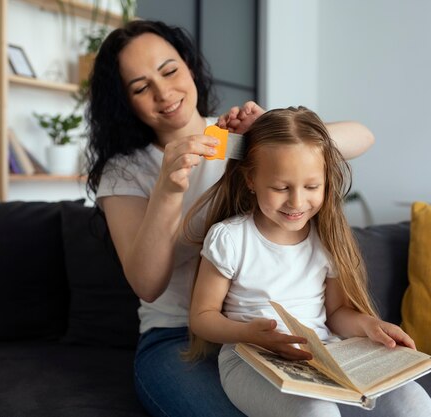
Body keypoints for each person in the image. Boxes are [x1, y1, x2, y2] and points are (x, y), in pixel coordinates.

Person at [85, 20, 376, 417]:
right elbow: (147, 284)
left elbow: (362, 136)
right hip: (174, 337)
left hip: (270, 333)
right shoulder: (124, 171)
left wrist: (271, 137)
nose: (163, 92)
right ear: (125, 102)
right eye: (140, 87)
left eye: (169, 71)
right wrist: (168, 191)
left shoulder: (234, 138)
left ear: (189, 66)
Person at [186, 106, 431, 417]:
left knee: (411, 399)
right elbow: (202, 316)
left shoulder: (325, 238)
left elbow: (336, 314)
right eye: (281, 188)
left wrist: (371, 326)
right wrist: (248, 333)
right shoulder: (230, 238)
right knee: (315, 411)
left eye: (311, 187)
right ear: (251, 179)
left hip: (324, 354)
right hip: (249, 359)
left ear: (326, 181)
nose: (296, 202)